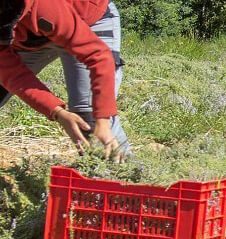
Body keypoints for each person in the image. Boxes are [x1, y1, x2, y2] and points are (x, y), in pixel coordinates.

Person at [0, 0, 129, 160]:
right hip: (25, 37)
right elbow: (13, 75)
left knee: (89, 122)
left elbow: (97, 55)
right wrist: (58, 112)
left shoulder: (45, 6)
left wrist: (102, 122)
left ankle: (126, 178)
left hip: (86, 21)